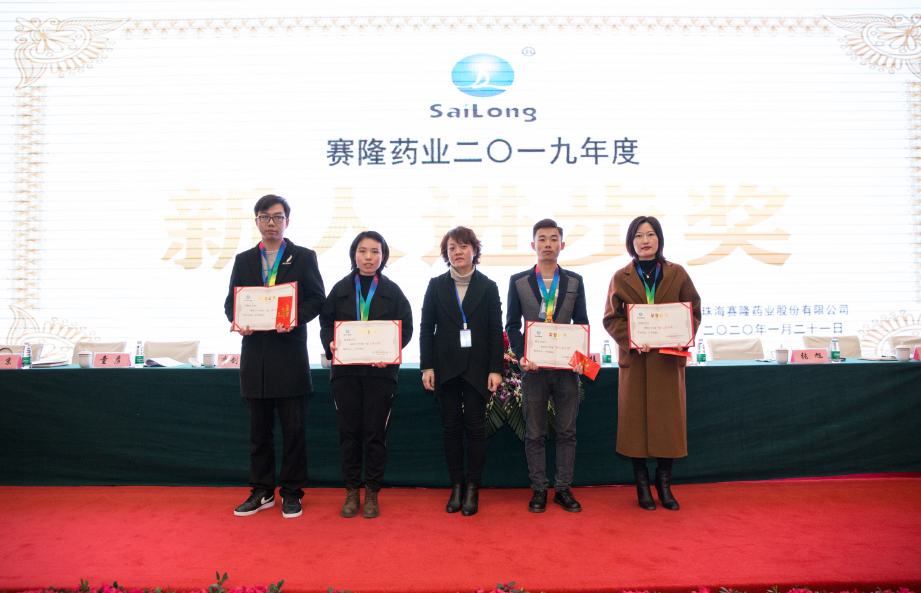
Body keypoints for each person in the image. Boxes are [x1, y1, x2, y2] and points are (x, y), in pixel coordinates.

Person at [224, 194, 325, 519]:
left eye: (277, 217)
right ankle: (262, 491)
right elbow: (231, 304)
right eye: (265, 216)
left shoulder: (303, 257)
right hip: (256, 359)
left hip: (289, 357)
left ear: (287, 221)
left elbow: (317, 299)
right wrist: (239, 322)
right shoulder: (243, 260)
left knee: (293, 432)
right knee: (259, 433)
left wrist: (294, 318)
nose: (271, 222)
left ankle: (292, 492)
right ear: (256, 221)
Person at [602, 215, 701, 511]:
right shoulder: (620, 277)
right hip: (636, 361)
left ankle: (664, 485)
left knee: (667, 424)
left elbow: (693, 311)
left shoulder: (677, 273)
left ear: (659, 239)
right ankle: (642, 486)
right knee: (635, 425)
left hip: (667, 362)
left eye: (650, 234)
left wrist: (682, 335)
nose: (645, 241)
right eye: (638, 236)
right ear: (630, 242)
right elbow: (611, 318)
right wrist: (633, 338)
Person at [319, 231, 413, 519]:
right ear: (354, 254)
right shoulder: (340, 289)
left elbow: (406, 328)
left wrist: (390, 351)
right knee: (349, 433)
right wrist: (330, 343)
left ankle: (372, 491)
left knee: (375, 434)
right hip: (345, 374)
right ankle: (351, 490)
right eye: (362, 251)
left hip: (379, 374)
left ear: (383, 256)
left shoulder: (393, 291)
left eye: (375, 251)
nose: (368, 257)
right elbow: (326, 323)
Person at [505, 219, 588, 513]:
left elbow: (581, 324)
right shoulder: (519, 281)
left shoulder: (574, 281)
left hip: (566, 371)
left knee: (567, 433)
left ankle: (563, 488)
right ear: (533, 245)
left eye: (553, 239)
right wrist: (522, 355)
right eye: (542, 239)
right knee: (534, 433)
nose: (548, 244)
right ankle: (539, 488)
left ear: (562, 245)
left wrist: (580, 362)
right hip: (534, 369)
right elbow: (512, 325)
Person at [420, 226, 503, 516]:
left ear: (474, 251)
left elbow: (495, 331)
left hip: (478, 366)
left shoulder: (488, 286)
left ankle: (473, 487)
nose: (458, 252)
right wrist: (427, 366)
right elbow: (426, 329)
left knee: (476, 428)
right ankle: (456, 484)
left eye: (464, 246)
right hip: (445, 365)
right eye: (452, 247)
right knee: (451, 427)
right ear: (446, 253)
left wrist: (496, 369)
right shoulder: (436, 285)